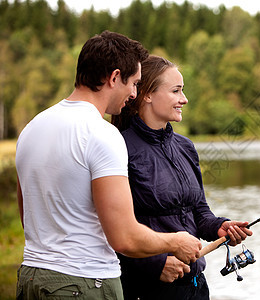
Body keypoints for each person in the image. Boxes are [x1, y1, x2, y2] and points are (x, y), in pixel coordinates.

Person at [15, 31, 202, 300]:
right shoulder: (101, 134)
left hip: (31, 278)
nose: (134, 94)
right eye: (134, 83)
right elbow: (124, 238)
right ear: (114, 77)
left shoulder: (32, 128)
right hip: (85, 283)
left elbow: (27, 218)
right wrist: (176, 241)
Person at [111, 55, 253, 300]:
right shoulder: (119, 147)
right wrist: (154, 264)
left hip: (195, 286)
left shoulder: (185, 147)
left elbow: (199, 212)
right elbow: (110, 227)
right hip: (145, 289)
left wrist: (221, 227)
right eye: (176, 91)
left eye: (183, 91)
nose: (184, 99)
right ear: (147, 94)